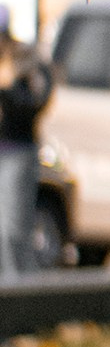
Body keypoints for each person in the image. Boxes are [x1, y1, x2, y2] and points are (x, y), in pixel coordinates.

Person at [0, 41, 49, 276]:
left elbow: (35, 102)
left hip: (16, 151)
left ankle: (20, 291)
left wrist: (8, 88)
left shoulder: (26, 60)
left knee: (12, 229)